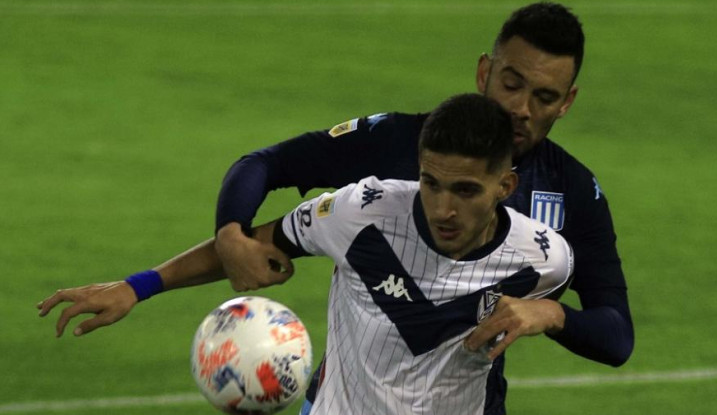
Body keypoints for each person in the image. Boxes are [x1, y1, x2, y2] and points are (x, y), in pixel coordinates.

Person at [213, 2, 633, 414]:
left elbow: (616, 335)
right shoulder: (398, 144)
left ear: (567, 101)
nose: (522, 108)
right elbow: (266, 165)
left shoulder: (572, 191)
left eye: (544, 97)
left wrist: (553, 313)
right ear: (485, 72)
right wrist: (229, 232)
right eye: (511, 83)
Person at [38, 94, 574, 415]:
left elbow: (610, 332)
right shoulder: (360, 212)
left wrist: (554, 313)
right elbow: (259, 233)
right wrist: (139, 285)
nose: (443, 208)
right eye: (431, 183)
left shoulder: (545, 258)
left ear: (504, 186)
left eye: (465, 192)